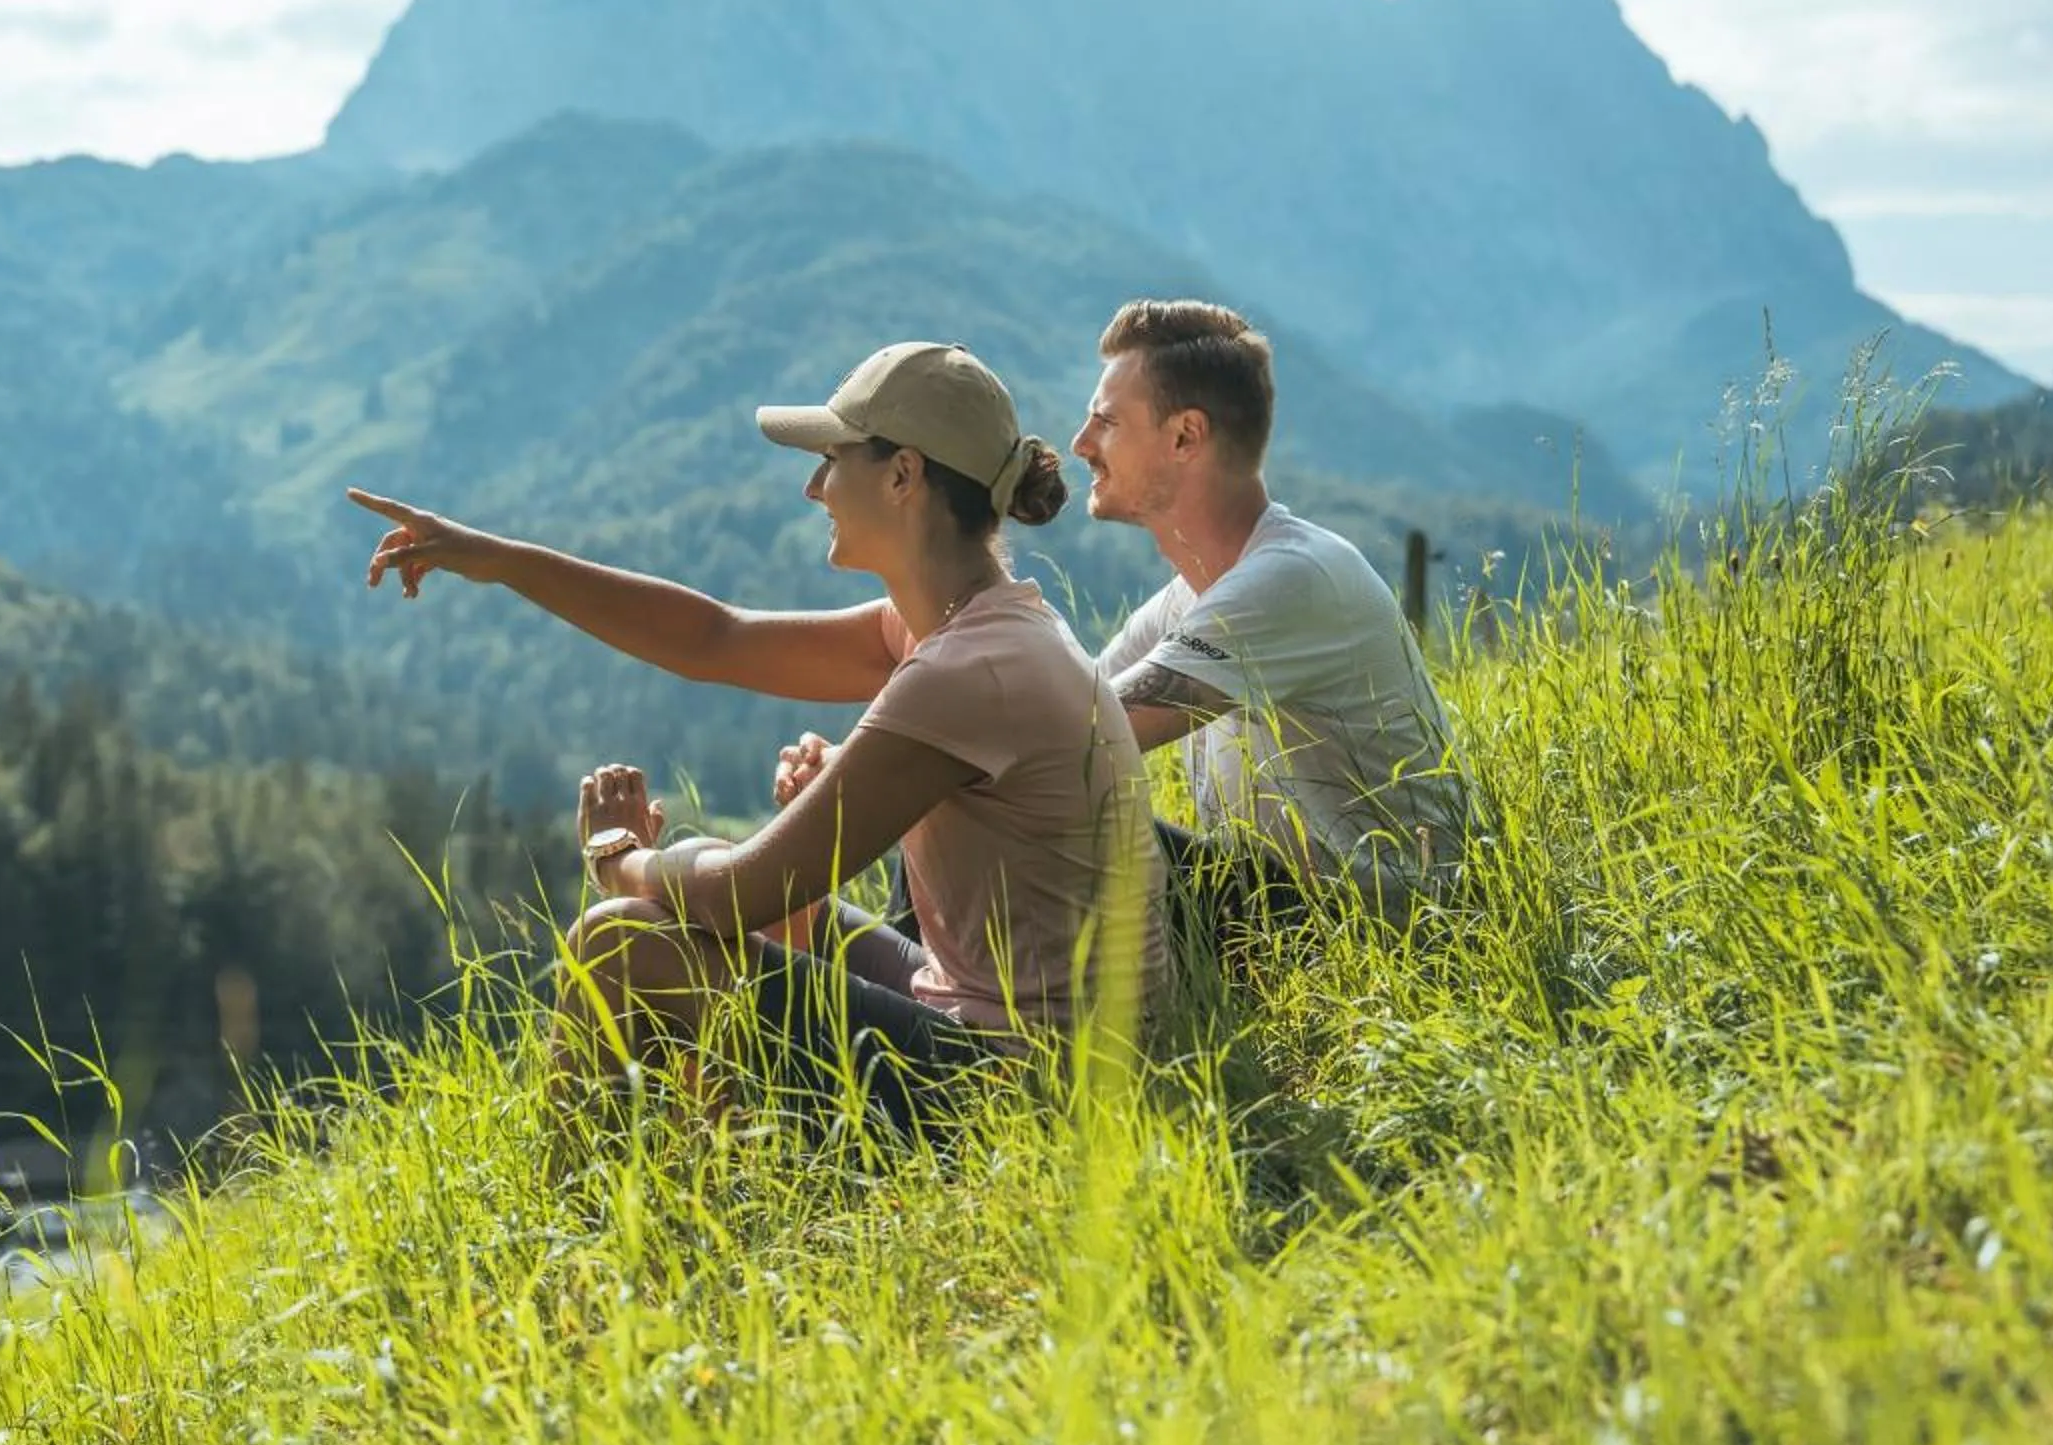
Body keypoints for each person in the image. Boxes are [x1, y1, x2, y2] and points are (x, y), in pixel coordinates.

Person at [349, 341, 1168, 1132]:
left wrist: (618, 858)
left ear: (903, 475)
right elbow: (717, 639)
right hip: (1002, 1024)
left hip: (1031, 1091)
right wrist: (496, 558)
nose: (815, 486)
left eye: (833, 458)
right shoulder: (971, 626)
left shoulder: (967, 670)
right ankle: (720, 1161)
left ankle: (587, 1233)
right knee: (696, 890)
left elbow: (745, 891)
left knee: (620, 942)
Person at [775, 301, 1470, 959]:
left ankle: (916, 1026)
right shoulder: (1189, 600)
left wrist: (871, 773)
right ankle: (906, 997)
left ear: (1184, 436)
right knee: (973, 772)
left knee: (989, 787)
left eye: (1105, 422)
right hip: (1287, 910)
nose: (1079, 444)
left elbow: (1069, 740)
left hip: (1371, 932)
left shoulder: (1294, 578)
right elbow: (1043, 714)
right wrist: (879, 768)